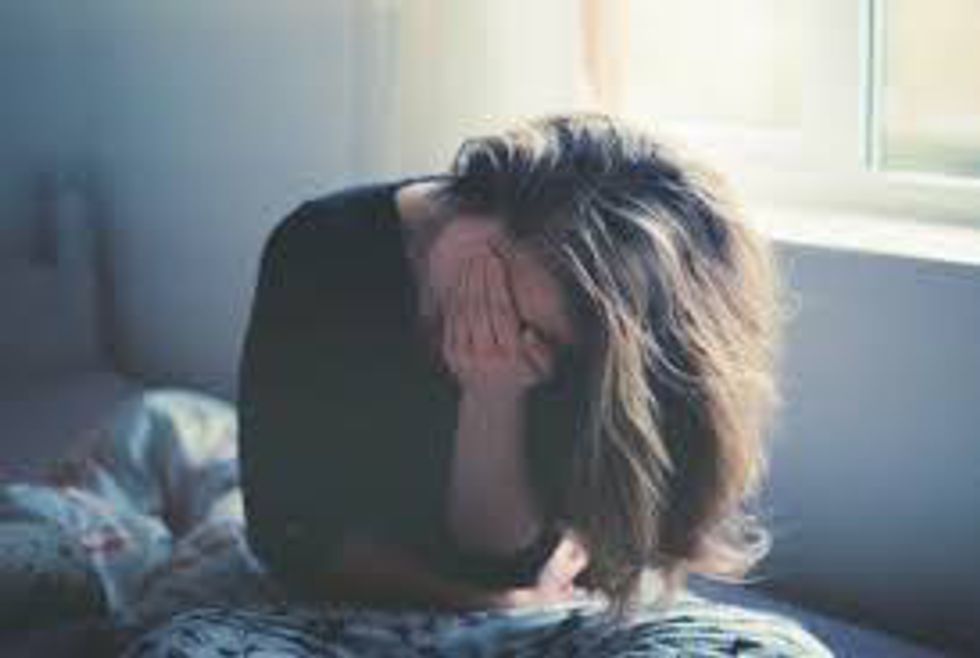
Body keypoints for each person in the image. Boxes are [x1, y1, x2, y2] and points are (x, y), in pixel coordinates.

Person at [1, 112, 832, 656]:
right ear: (470, 203)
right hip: (331, 611)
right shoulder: (322, 248)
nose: (479, 322)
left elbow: (513, 554)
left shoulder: (577, 346)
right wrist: (486, 599)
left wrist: (495, 395)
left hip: (549, 616)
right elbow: (293, 541)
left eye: (524, 325)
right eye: (478, 281)